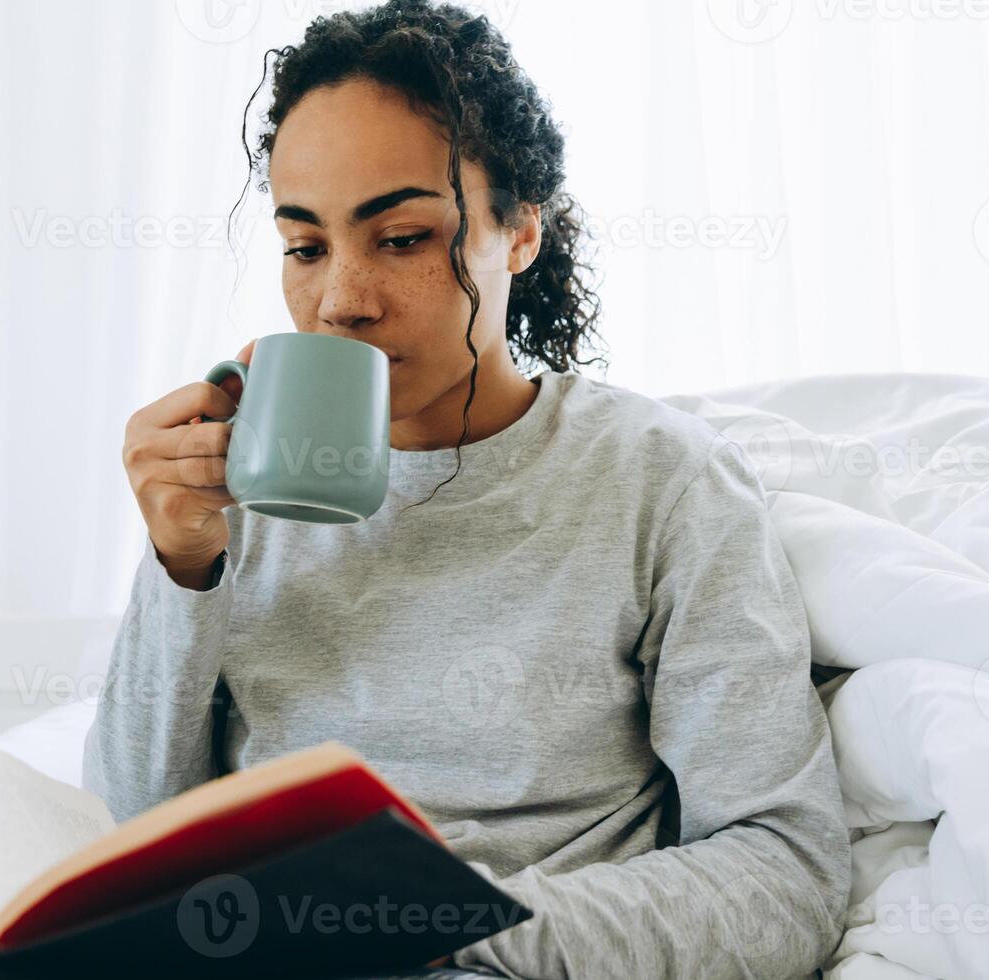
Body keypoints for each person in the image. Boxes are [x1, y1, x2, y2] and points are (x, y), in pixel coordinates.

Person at [82, 2, 850, 975]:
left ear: (519, 230)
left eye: (400, 237)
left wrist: (430, 923)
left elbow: (785, 872)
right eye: (306, 246)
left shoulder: (661, 481)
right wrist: (182, 567)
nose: (340, 299)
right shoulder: (244, 490)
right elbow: (125, 831)